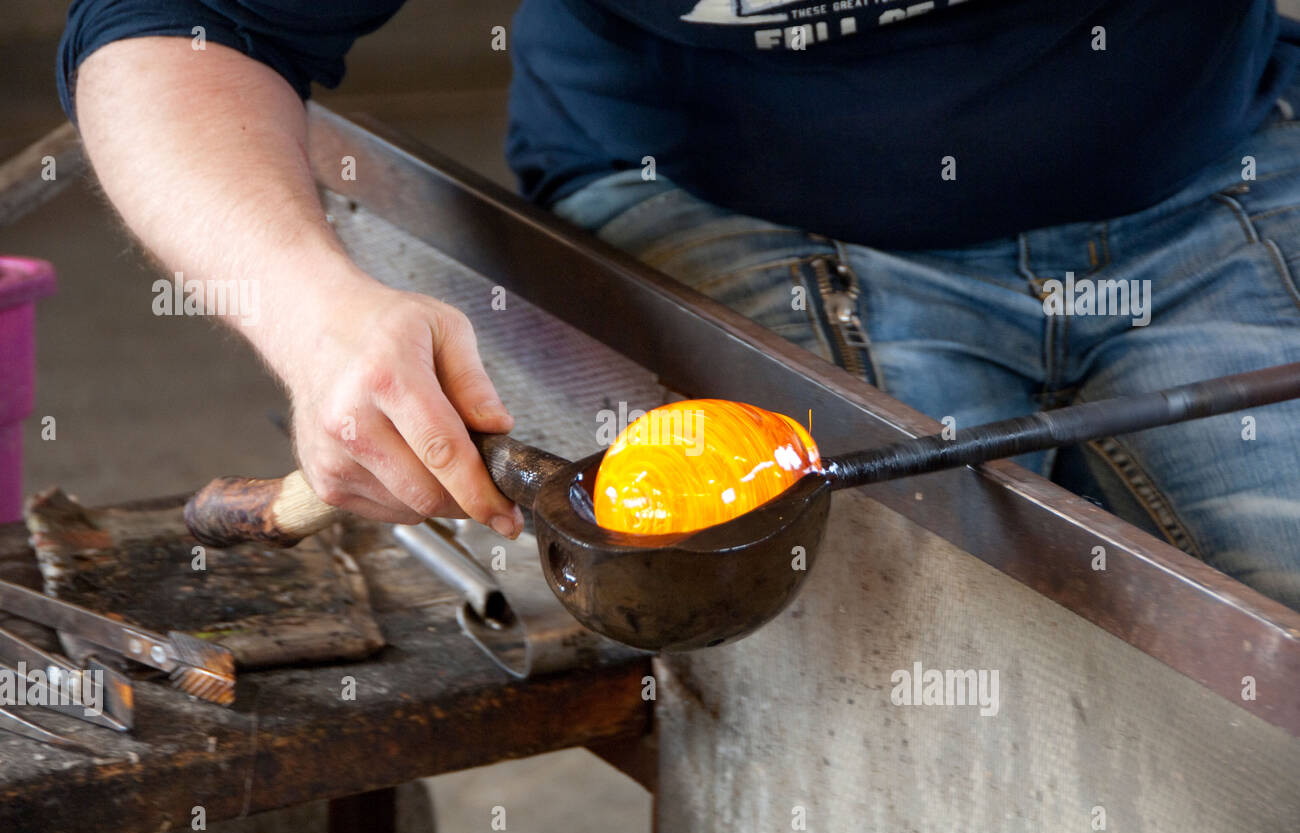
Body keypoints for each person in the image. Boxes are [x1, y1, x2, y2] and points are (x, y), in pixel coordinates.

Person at [59, 0, 1300, 607]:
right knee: (921, 642)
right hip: (726, 197)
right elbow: (175, 27)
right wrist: (307, 307)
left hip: (1209, 162)